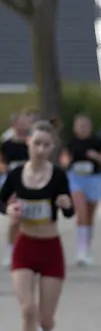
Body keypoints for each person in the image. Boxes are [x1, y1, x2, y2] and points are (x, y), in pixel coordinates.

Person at [0, 120, 74, 331]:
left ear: (52, 147)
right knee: (27, 309)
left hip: (51, 249)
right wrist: (9, 209)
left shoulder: (58, 175)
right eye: (37, 143)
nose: (41, 149)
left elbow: (69, 210)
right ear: (28, 143)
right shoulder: (16, 175)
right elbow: (1, 200)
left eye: (46, 145)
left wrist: (66, 204)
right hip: (25, 247)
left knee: (45, 318)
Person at [61, 113, 101, 265]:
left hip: (93, 179)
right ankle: (81, 251)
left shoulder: (97, 142)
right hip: (76, 179)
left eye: (85, 125)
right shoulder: (71, 142)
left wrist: (96, 157)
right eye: (79, 125)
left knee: (89, 216)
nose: (82, 128)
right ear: (75, 127)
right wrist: (66, 160)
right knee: (81, 213)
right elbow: (63, 159)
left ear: (90, 127)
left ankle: (87, 248)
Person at [0, 111, 33, 269]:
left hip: (29, 182)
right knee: (15, 218)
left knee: (28, 219)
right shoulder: (6, 144)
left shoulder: (31, 143)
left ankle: (26, 251)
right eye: (19, 122)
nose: (22, 126)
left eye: (24, 122)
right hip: (11, 182)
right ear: (13, 125)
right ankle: (11, 251)